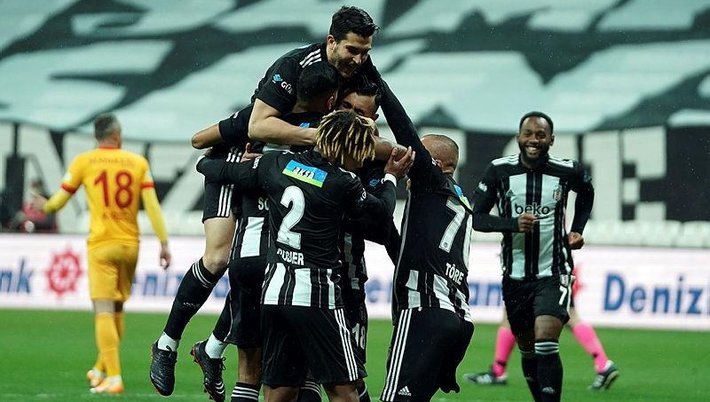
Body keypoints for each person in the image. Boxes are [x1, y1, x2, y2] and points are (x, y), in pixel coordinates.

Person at [150, 6, 380, 396]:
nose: (359, 60)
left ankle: (213, 347)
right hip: (239, 159)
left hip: (270, 171)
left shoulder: (353, 76)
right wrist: (322, 138)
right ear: (332, 43)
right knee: (219, 258)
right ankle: (167, 344)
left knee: (263, 267)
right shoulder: (293, 68)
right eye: (353, 51)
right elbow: (242, 129)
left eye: (365, 52)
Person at [197, 109, 413, 402]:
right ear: (348, 148)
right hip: (317, 296)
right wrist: (390, 176)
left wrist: (207, 160)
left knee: (280, 391)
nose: (364, 159)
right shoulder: (342, 182)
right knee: (344, 391)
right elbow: (382, 213)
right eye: (362, 149)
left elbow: (220, 171)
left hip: (274, 295)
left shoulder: (277, 163)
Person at [191, 61, 342, 402]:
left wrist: (230, 161)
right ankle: (209, 347)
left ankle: (209, 347)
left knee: (251, 373)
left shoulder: (266, 158)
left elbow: (203, 153)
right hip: (296, 274)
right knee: (304, 376)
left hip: (249, 263)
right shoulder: (325, 165)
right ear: (331, 100)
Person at [33, 113, 171, 395]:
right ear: (117, 135)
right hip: (130, 245)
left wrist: (44, 206)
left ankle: (115, 378)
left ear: (96, 136)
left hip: (102, 245)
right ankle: (100, 368)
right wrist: (164, 242)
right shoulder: (138, 162)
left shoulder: (84, 161)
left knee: (103, 310)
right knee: (117, 309)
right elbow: (152, 206)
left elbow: (59, 202)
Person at [469, 111, 595, 402]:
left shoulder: (567, 171)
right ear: (518, 137)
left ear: (551, 139)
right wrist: (512, 224)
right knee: (527, 349)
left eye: (541, 135)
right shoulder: (498, 171)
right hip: (515, 275)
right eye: (528, 134)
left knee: (546, 338)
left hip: (554, 270)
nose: (534, 140)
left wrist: (577, 229)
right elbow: (477, 218)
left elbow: (587, 192)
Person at [374, 73, 475, 402]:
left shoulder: (432, 182)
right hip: (458, 319)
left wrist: (379, 86)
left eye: (417, 155)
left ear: (437, 163)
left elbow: (405, 130)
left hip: (424, 309)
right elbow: (408, 248)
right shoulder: (459, 201)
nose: (409, 158)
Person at [464, 302, 619, 390]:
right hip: (554, 265)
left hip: (538, 268)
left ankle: (603, 364)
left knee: (513, 312)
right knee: (568, 313)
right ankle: (603, 364)